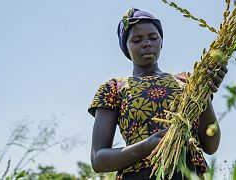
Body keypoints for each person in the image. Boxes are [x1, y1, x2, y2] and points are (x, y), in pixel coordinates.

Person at [88, 8, 228, 180]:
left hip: (189, 174)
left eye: (153, 37)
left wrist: (204, 93)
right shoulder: (114, 88)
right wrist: (147, 146)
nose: (147, 43)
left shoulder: (188, 81)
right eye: (137, 40)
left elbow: (211, 146)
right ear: (126, 47)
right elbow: (98, 160)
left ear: (161, 41)